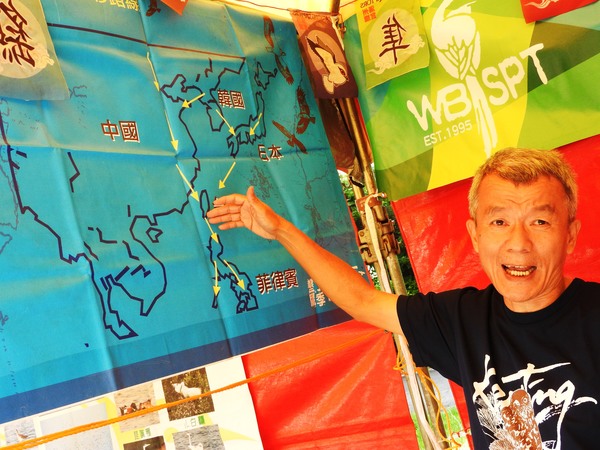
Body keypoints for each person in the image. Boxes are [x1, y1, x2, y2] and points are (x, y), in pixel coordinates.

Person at [207, 147, 600, 449]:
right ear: (476, 235)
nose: (518, 243)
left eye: (540, 221)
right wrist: (280, 230)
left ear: (569, 235)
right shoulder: (461, 318)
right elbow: (362, 300)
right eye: (499, 221)